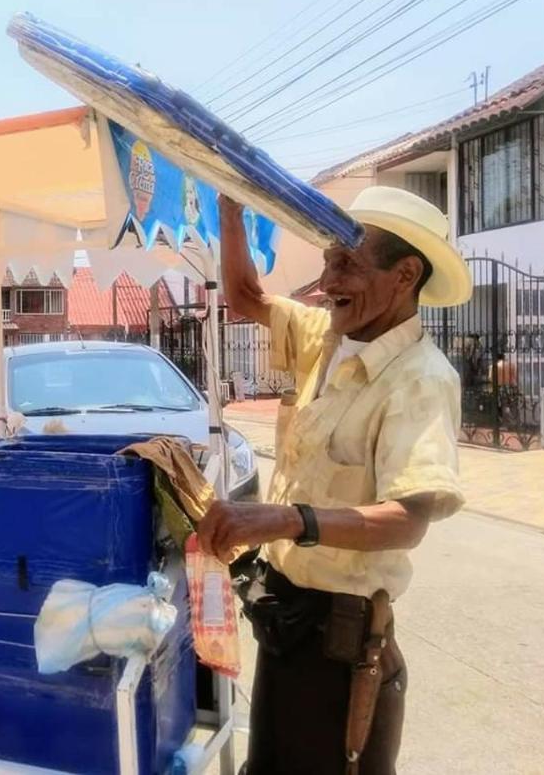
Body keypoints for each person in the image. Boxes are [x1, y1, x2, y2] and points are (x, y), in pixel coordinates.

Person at [199, 186, 471, 775]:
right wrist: (231, 206)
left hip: (341, 644)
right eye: (327, 259)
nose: (327, 278)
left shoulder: (421, 380)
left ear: (405, 275)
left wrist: (286, 519)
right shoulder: (326, 336)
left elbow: (408, 520)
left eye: (347, 263)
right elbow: (245, 296)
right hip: (287, 621)